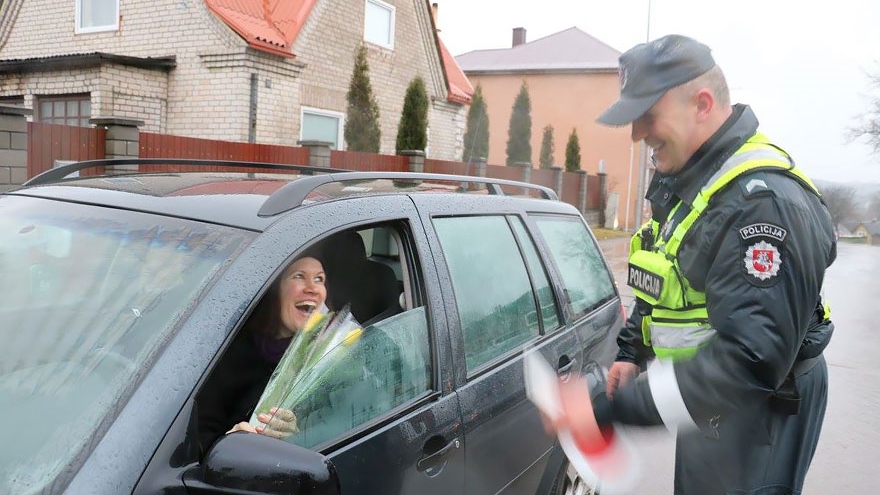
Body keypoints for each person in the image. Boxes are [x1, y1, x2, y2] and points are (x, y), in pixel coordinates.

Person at [547, 34, 836, 494]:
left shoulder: (763, 204)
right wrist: (632, 354)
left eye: (647, 116)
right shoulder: (689, 184)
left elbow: (748, 361)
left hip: (762, 409)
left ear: (701, 104)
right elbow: (662, 278)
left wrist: (611, 412)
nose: (637, 134)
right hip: (711, 403)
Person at [196, 253, 327, 453]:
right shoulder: (225, 349)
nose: (312, 288)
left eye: (319, 279)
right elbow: (198, 437)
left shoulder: (327, 358)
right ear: (274, 290)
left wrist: (297, 435)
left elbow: (331, 430)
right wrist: (226, 443)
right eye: (299, 276)